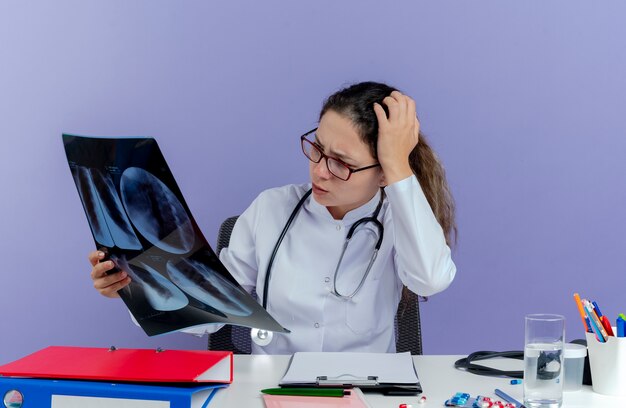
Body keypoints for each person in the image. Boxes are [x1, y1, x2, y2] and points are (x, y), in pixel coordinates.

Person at [89, 81, 457, 355]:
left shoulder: (401, 219)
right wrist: (133, 285)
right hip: (273, 390)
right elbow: (210, 309)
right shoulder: (271, 210)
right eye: (317, 148)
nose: (319, 171)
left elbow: (430, 279)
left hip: (366, 392)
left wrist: (398, 165)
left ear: (382, 174)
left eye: (341, 163)